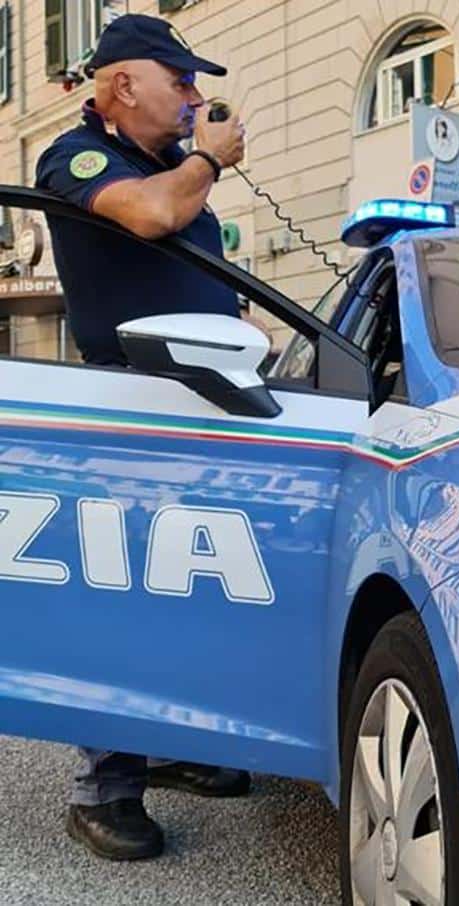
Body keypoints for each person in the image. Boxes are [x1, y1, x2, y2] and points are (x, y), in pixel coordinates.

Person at [34, 14, 252, 861]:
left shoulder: (173, 167)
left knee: (188, 586)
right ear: (124, 85)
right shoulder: (80, 157)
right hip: (130, 408)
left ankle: (168, 744)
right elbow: (154, 217)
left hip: (197, 402)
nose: (196, 97)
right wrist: (209, 160)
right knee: (122, 596)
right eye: (182, 81)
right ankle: (104, 787)